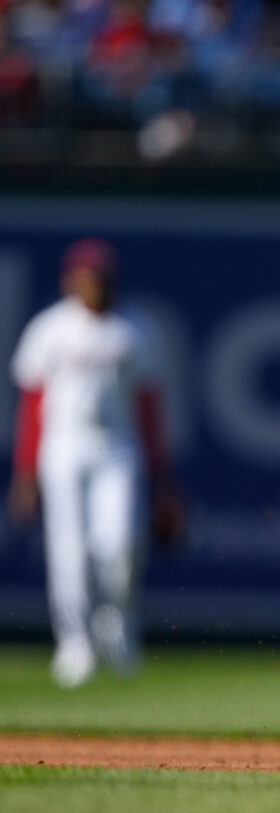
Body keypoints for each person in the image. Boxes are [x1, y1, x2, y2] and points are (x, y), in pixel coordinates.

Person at [7, 238, 183, 689]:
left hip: (117, 447)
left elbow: (148, 406)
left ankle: (118, 626)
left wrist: (163, 479)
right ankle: (75, 645)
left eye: (102, 276)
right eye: (87, 276)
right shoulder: (49, 329)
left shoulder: (134, 328)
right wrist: (24, 472)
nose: (95, 285)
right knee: (68, 553)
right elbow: (31, 405)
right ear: (71, 280)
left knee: (120, 543)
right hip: (62, 446)